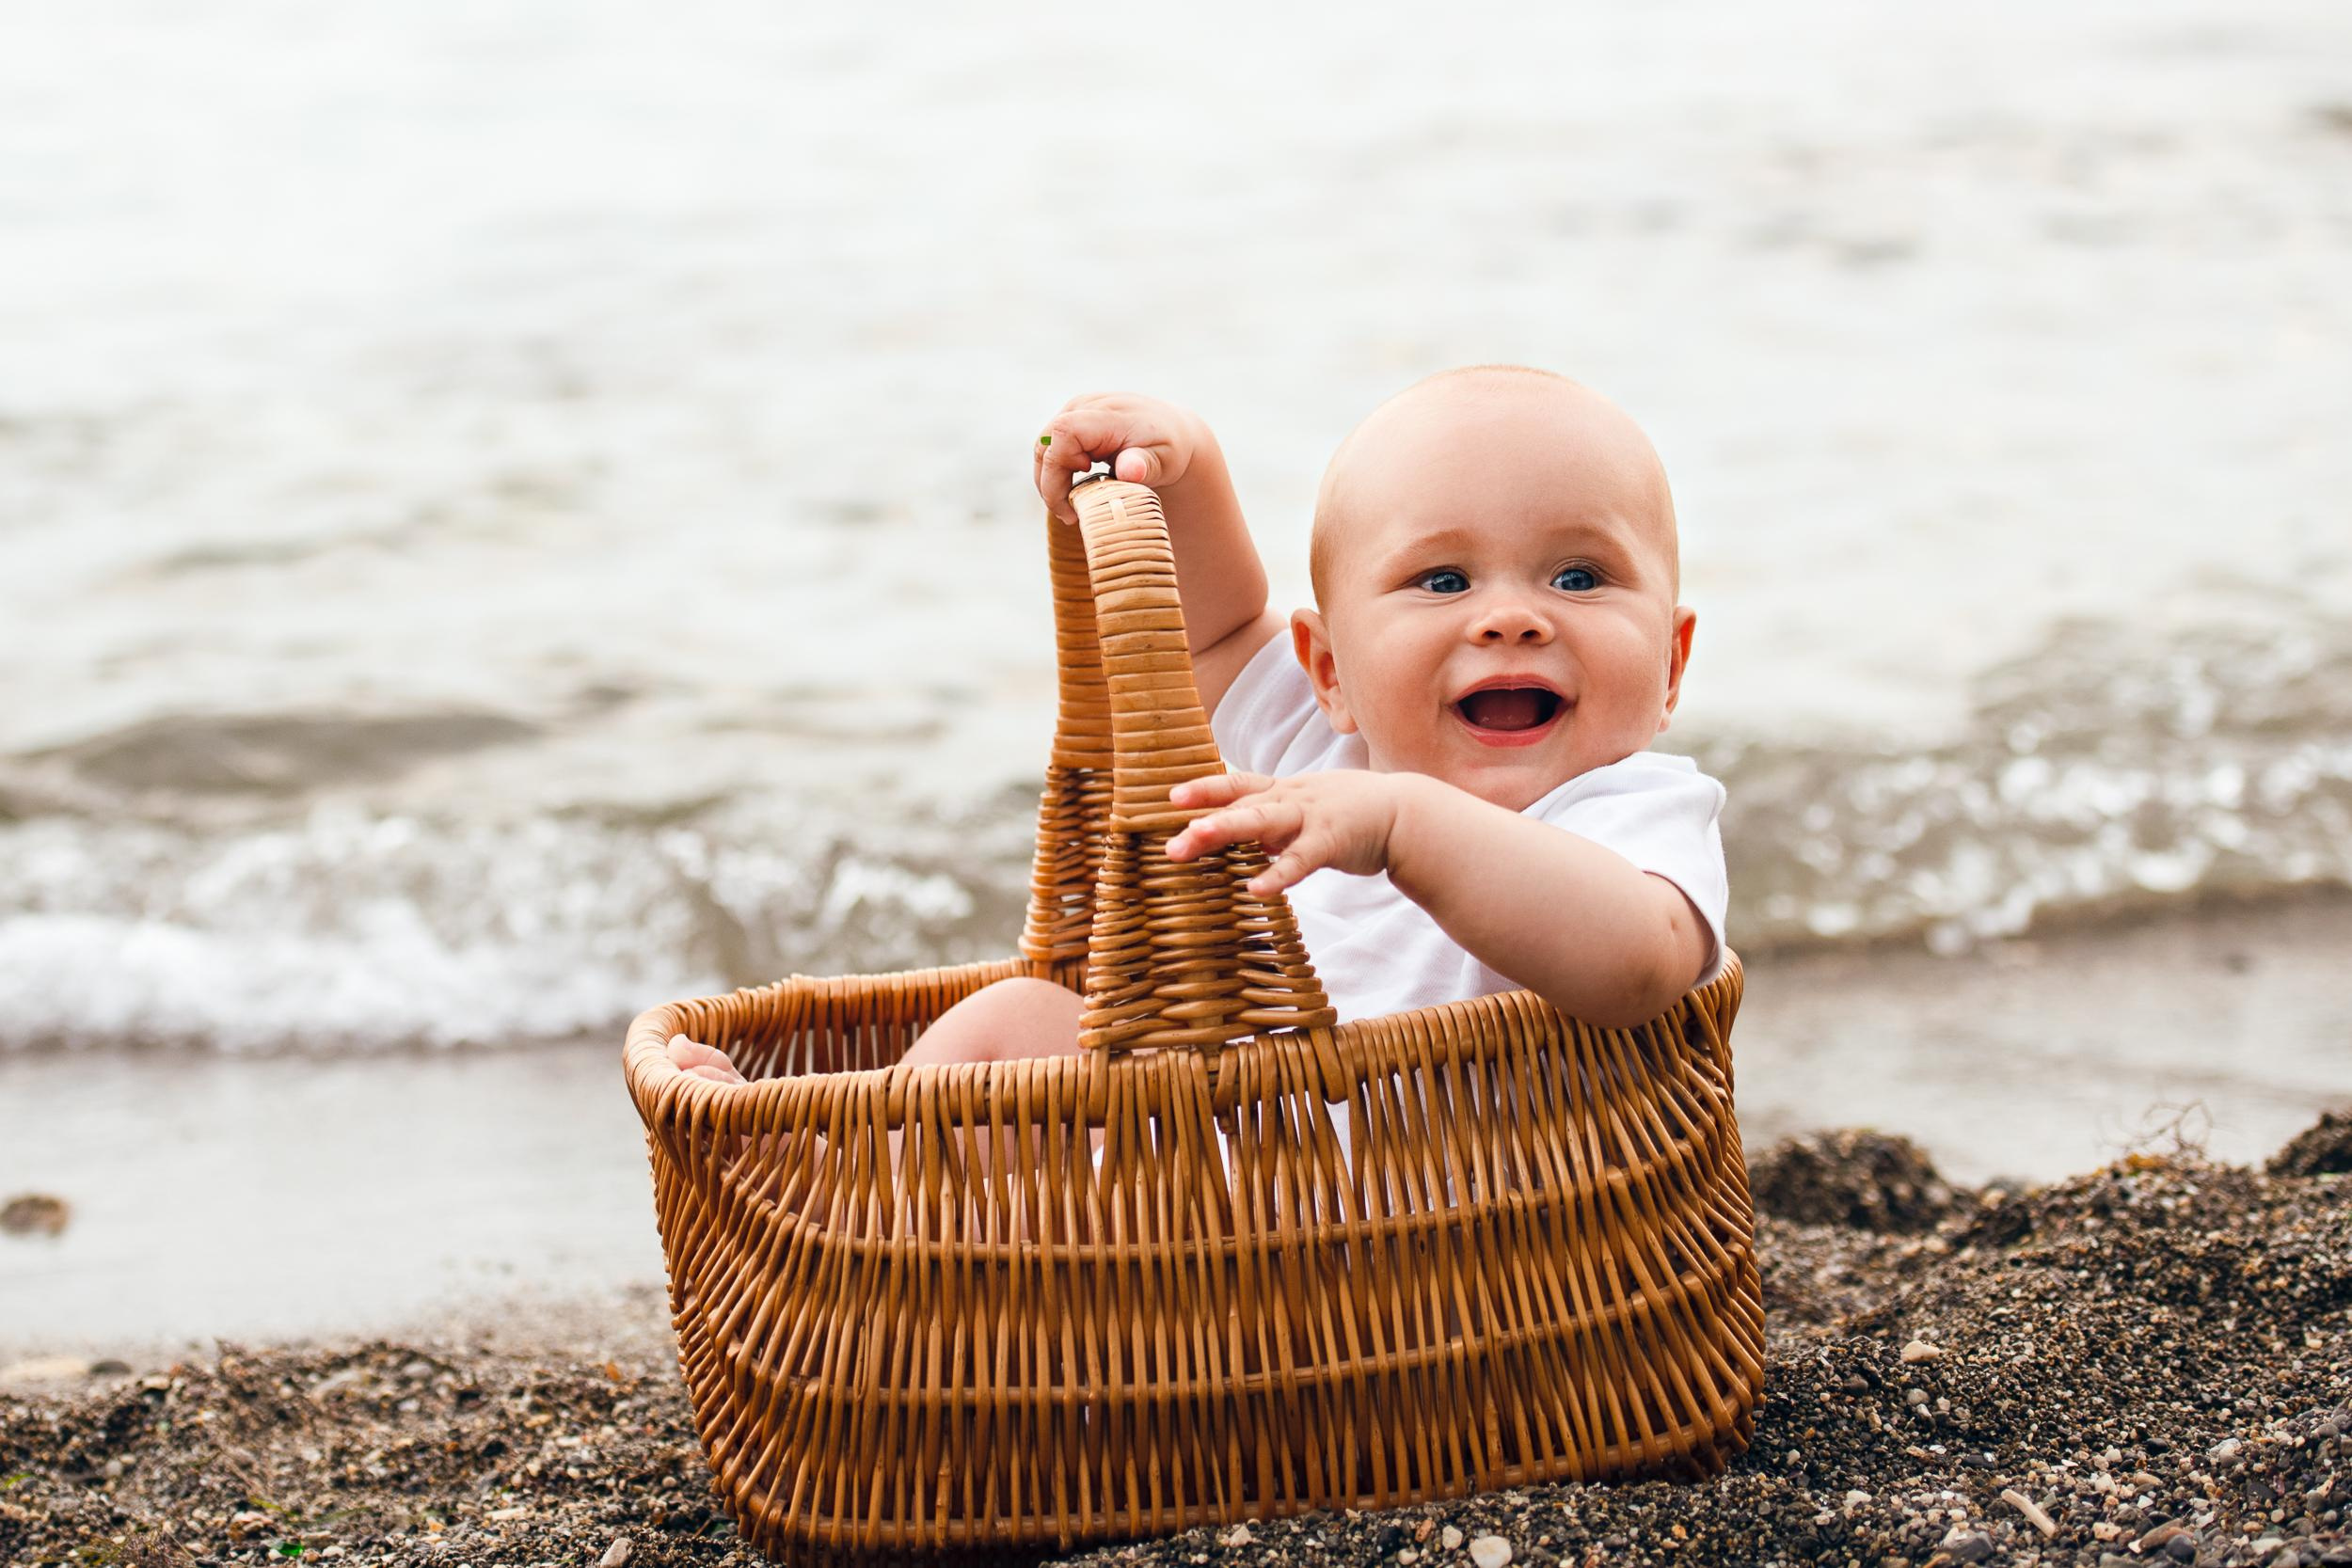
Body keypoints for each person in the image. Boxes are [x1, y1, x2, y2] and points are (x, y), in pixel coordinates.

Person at [666, 365, 1725, 1091]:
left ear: (1671, 665)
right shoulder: (1327, 749)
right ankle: (847, 1169)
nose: (1512, 617)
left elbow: (1636, 965)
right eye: (1442, 579)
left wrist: (1406, 823)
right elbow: (1211, 632)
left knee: (1029, 1114)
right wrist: (1189, 468)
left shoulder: (1629, 810)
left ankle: (872, 1206)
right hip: (1220, 1200)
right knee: (1019, 1022)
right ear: (1330, 672)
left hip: (1439, 1224)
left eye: (1579, 575)